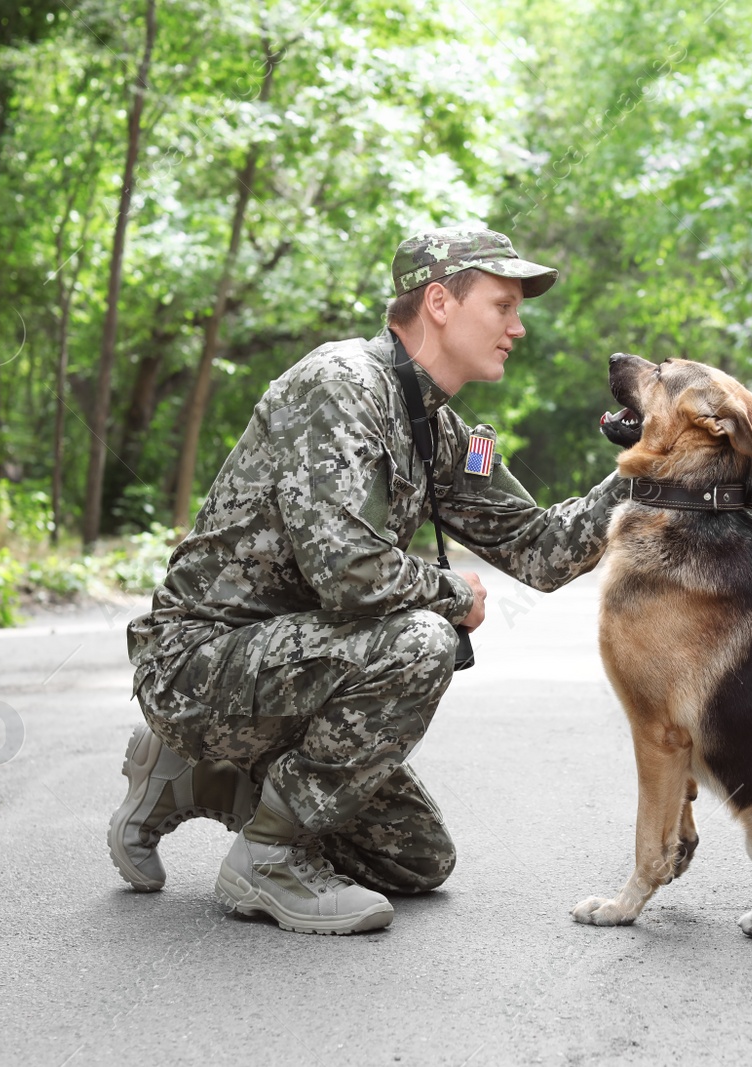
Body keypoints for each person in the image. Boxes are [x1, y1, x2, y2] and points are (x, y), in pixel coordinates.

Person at [108, 227, 625, 934]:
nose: (518, 325)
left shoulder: (435, 427)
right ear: (439, 302)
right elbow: (348, 572)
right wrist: (453, 596)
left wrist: (649, 467)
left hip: (285, 670)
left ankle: (195, 770)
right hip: (197, 665)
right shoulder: (341, 385)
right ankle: (267, 856)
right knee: (420, 639)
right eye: (502, 304)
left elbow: (540, 550)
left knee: (417, 859)